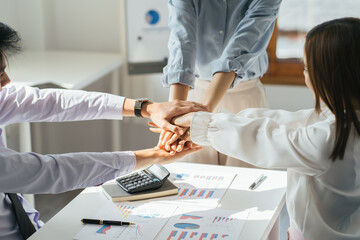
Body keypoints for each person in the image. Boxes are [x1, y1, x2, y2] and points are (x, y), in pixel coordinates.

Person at [0, 22, 205, 240]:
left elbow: (52, 102)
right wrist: (155, 155)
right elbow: (51, 172)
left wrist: (147, 108)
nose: (7, 80)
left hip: (30, 225)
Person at [168, 17, 360, 239]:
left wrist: (198, 123)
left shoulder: (329, 138)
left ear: (328, 75)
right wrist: (207, 118)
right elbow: (285, 121)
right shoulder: (339, 121)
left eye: (306, 67)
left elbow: (266, 139)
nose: (304, 73)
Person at [159, 0, 282, 167]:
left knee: (246, 180)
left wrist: (197, 119)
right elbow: (182, 43)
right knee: (193, 179)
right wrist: (174, 115)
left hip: (245, 99)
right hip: (194, 94)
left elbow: (239, 48)